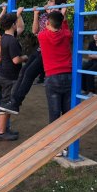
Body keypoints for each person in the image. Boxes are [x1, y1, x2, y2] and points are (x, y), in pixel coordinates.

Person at [0, 0, 66, 115]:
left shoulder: (59, 17)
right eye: (48, 0)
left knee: (29, 73)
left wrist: (57, 11)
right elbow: (35, 31)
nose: (48, 2)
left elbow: (58, 29)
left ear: (58, 5)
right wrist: (36, 14)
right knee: (24, 71)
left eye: (51, 1)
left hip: (49, 51)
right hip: (40, 48)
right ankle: (13, 102)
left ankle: (15, 103)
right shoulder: (45, 15)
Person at [38, 10, 72, 156]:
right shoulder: (66, 35)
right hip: (68, 76)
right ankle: (69, 146)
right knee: (67, 113)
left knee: (54, 113)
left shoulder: (42, 36)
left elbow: (47, 29)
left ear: (47, 23)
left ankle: (56, 147)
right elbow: (64, 29)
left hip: (52, 78)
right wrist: (63, 18)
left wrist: (59, 17)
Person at [0, 9, 27, 141]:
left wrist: (18, 15)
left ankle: (5, 129)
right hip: (8, 76)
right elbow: (16, 60)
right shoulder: (12, 41)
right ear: (12, 25)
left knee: (7, 102)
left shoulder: (5, 37)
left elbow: (21, 27)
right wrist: (25, 57)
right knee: (5, 103)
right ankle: (2, 133)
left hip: (4, 74)